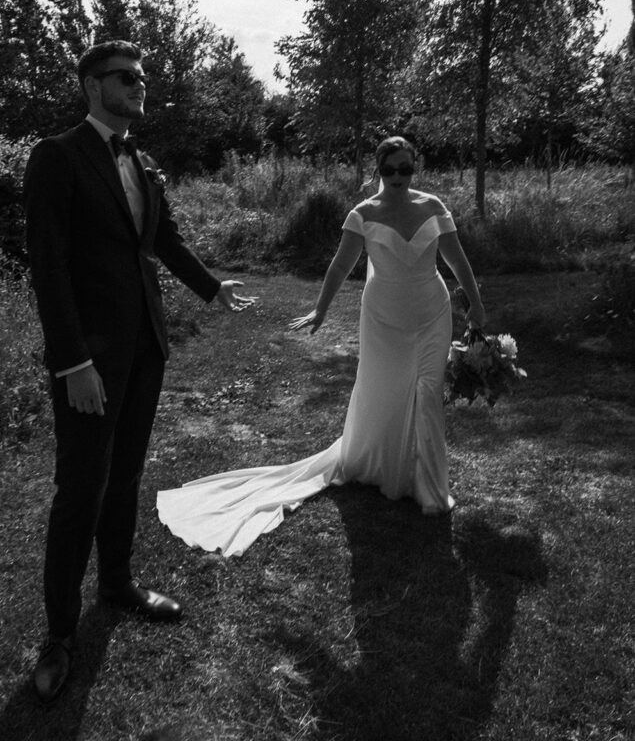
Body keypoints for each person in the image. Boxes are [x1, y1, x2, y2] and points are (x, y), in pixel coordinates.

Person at [24, 39, 255, 703]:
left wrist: (211, 287)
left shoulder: (144, 161)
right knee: (80, 488)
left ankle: (118, 584)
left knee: (124, 475)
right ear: (92, 86)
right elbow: (50, 266)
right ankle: (60, 635)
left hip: (145, 348)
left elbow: (162, 241)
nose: (140, 87)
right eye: (127, 78)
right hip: (89, 362)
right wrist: (73, 362)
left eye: (143, 79)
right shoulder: (57, 157)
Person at [157, 136, 485, 557]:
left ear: (415, 169)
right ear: (377, 172)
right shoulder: (362, 214)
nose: (399, 177)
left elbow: (458, 262)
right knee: (384, 391)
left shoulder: (434, 207)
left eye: (407, 169)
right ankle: (383, 466)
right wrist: (320, 310)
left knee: (426, 392)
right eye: (390, 170)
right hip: (384, 317)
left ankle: (430, 488)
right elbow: (340, 265)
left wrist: (476, 305)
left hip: (432, 312)